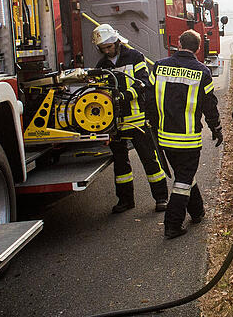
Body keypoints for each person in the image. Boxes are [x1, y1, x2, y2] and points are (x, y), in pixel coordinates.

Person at [152, 30, 223, 239]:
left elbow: (148, 98)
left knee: (184, 174)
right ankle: (172, 224)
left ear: (178, 43)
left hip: (164, 137)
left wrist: (152, 128)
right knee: (183, 180)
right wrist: (216, 128)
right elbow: (210, 106)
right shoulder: (202, 72)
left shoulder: (158, 66)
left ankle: (197, 211)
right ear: (198, 48)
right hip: (188, 139)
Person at [92, 24, 168, 214]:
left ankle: (161, 198)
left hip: (137, 119)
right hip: (115, 123)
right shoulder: (102, 66)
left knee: (149, 160)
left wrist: (125, 95)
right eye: (103, 49)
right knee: (120, 163)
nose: (107, 51)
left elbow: (144, 83)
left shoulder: (135, 57)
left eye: (109, 47)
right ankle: (125, 200)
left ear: (117, 42)